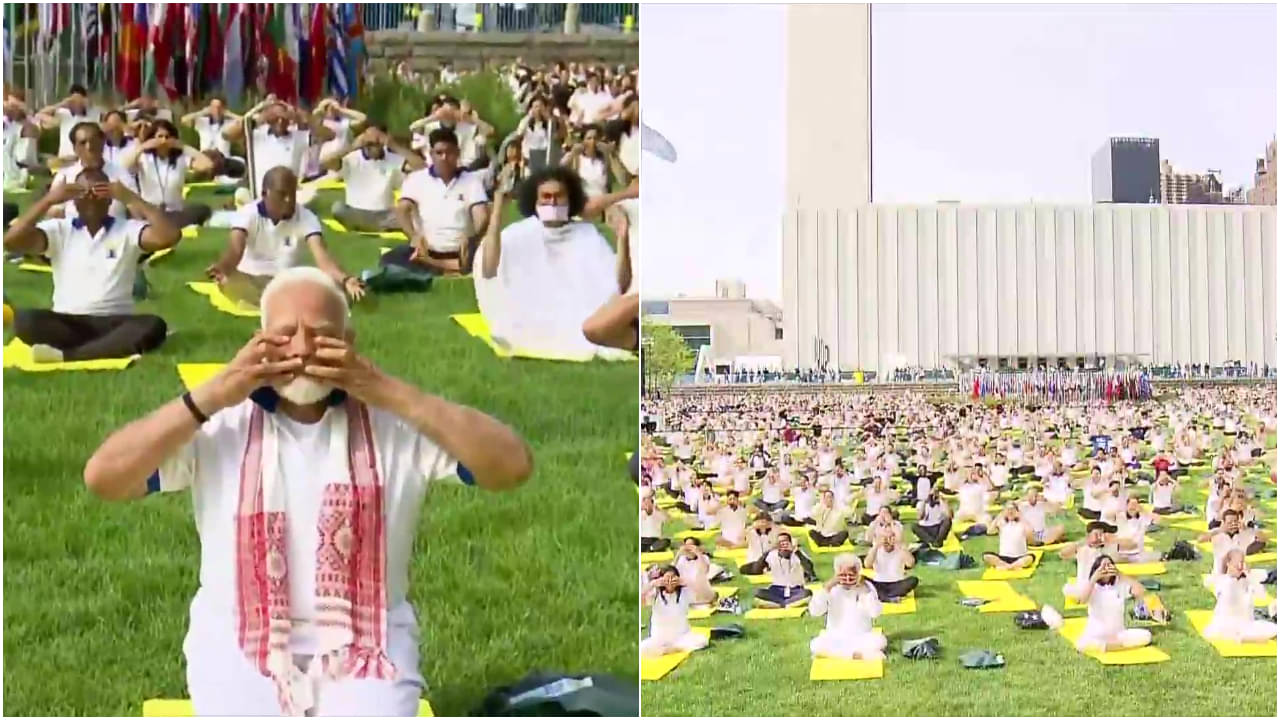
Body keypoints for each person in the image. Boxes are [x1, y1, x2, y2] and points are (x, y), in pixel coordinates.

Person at [81, 267, 533, 715]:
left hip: (367, 636)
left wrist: (387, 390)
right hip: (238, 634)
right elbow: (105, 478)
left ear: (349, 342)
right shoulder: (218, 420)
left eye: (319, 335)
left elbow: (511, 467)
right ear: (257, 342)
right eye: (284, 335)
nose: (300, 349)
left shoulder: (394, 422)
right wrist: (214, 392)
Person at [3, 170, 178, 362]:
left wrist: (132, 198)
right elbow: (10, 241)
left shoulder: (128, 229)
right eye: (83, 193)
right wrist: (49, 200)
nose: (91, 199)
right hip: (69, 323)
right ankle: (104, 348)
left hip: (115, 321)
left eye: (99, 192)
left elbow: (170, 236)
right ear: (74, 201)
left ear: (110, 200)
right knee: (25, 320)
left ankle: (69, 355)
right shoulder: (59, 230)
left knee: (154, 325)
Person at [475, 165, 630, 360]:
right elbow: (489, 270)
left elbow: (617, 286)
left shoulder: (587, 234)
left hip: (580, 312)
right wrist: (497, 210)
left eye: (559, 196)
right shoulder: (518, 234)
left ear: (571, 198)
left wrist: (622, 239)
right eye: (546, 197)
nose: (553, 202)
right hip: (532, 313)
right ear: (535, 200)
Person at [205, 167, 366, 308]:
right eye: (282, 194)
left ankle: (276, 302)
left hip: (288, 282)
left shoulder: (306, 217)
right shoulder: (247, 214)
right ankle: (282, 303)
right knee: (229, 281)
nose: (289, 199)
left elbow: (322, 257)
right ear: (264, 194)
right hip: (251, 280)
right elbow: (235, 251)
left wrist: (345, 280)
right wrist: (222, 268)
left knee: (328, 284)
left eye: (292, 193)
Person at [388, 127, 489, 275]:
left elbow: (481, 215)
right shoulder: (417, 179)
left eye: (449, 152)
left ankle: (447, 266)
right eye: (439, 153)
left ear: (457, 154)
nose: (444, 157)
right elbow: (402, 209)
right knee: (391, 260)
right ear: (431, 155)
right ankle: (441, 266)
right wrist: (414, 236)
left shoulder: (472, 180)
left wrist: (473, 239)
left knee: (491, 257)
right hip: (427, 250)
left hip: (461, 252)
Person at [325, 126, 423, 233]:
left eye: (377, 143)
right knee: (337, 208)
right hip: (356, 212)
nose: (374, 146)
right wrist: (352, 146)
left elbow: (422, 167)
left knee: (411, 213)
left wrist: (394, 145)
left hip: (384, 215)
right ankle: (370, 226)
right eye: (370, 143)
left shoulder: (393, 159)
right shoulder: (351, 158)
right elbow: (325, 163)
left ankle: (368, 226)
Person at [120, 119, 215, 229]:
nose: (164, 140)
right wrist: (143, 146)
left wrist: (183, 147)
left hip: (175, 213)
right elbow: (126, 165)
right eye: (160, 136)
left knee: (202, 210)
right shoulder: (144, 157)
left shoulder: (181, 159)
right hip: (150, 213)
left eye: (167, 137)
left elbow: (208, 165)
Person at [808, 554, 887, 661]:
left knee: (880, 640)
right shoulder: (830, 588)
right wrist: (826, 588)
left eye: (851, 575)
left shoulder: (866, 587)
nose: (847, 579)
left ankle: (839, 655)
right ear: (836, 574)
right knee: (816, 644)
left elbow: (875, 613)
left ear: (858, 574)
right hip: (835, 638)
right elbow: (815, 611)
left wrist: (865, 591)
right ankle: (857, 656)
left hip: (861, 637)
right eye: (843, 575)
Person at [1072, 555, 1154, 653]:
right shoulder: (1092, 587)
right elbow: (1082, 600)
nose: (1107, 569)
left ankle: (1111, 646)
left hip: (1118, 634)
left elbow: (1141, 590)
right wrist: (1094, 578)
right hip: (1096, 635)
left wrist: (1120, 574)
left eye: (1109, 565)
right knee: (1081, 644)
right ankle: (1116, 646)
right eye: (1103, 566)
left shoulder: (1119, 586)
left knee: (1146, 635)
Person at [1204, 549, 1278, 644]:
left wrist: (1249, 577)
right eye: (1237, 563)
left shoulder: (1246, 580)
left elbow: (1262, 595)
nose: (1240, 566)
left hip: (1245, 623)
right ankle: (1246, 638)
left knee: (1273, 629)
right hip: (1228, 624)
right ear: (1228, 564)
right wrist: (1232, 577)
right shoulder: (1223, 581)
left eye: (1242, 562)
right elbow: (1214, 586)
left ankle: (1248, 638)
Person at [641, 567, 709, 658]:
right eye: (667, 578)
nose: (670, 581)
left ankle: (672, 649)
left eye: (673, 578)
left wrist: (687, 582)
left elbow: (706, 596)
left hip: (681, 636)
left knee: (702, 641)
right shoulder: (655, 594)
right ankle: (668, 649)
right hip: (659, 638)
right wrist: (653, 584)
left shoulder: (685, 593)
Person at [180, 96, 246, 180]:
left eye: (219, 107)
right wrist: (203, 112)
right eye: (213, 107)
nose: (217, 110)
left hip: (223, 161)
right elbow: (184, 120)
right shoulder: (202, 122)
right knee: (186, 159)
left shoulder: (229, 123)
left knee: (240, 161)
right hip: (204, 160)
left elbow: (245, 122)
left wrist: (229, 114)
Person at [36, 84, 102, 164]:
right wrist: (62, 104)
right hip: (65, 160)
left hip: (87, 161)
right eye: (73, 100)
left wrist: (90, 104)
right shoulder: (64, 113)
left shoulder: (93, 113)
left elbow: (111, 116)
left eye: (79, 100)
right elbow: (39, 115)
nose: (76, 103)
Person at [1061, 521, 1121, 600]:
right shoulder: (1082, 548)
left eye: (1101, 535)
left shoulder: (1109, 548)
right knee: (1066, 589)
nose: (1099, 538)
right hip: (1084, 586)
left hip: (1104, 587)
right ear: (1088, 535)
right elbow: (1063, 554)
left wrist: (1112, 539)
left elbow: (1132, 545)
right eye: (1096, 534)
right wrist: (1084, 542)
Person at [752, 533, 812, 608]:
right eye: (780, 543)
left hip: (795, 590)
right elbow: (756, 570)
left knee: (807, 593)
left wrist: (796, 551)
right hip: (776, 591)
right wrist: (768, 551)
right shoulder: (771, 555)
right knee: (757, 592)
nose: (783, 545)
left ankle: (779, 604)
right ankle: (787, 604)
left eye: (785, 542)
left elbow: (810, 570)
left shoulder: (798, 553)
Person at [863, 531, 919, 601]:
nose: (888, 541)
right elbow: (867, 565)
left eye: (890, 538)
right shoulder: (876, 550)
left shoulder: (900, 549)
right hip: (879, 583)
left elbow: (911, 564)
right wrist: (876, 546)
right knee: (861, 579)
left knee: (913, 580)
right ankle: (888, 596)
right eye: (885, 538)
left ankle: (882, 596)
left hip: (897, 583)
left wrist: (899, 546)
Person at [982, 503, 1037, 571]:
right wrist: (1000, 515)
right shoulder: (1001, 524)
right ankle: (1010, 566)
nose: (1010, 512)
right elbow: (989, 531)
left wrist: (1021, 517)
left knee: (1030, 557)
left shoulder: (1022, 524)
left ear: (1017, 512)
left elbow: (1031, 537)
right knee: (986, 556)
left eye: (1012, 510)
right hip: (1004, 557)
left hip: (1019, 557)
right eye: (1008, 510)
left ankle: (1008, 566)